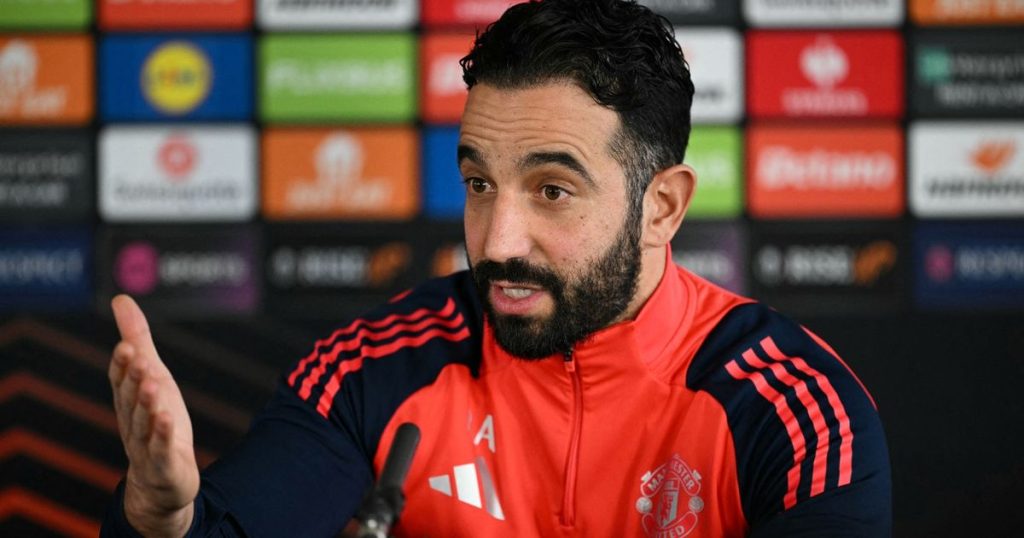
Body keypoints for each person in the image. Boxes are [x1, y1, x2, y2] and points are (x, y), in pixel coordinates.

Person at [102, 0, 892, 536]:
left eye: (552, 190)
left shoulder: (794, 411)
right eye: (479, 183)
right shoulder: (376, 368)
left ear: (661, 207)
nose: (498, 240)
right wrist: (160, 518)